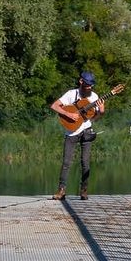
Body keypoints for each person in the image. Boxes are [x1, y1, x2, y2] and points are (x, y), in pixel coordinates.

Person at [50, 71, 103, 200]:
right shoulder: (71, 94)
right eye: (87, 85)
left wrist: (101, 111)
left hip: (87, 131)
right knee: (66, 162)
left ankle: (84, 191)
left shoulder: (94, 96)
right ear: (81, 81)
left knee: (85, 162)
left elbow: (96, 117)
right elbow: (54, 106)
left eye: (91, 86)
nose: (89, 88)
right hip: (71, 132)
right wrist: (69, 114)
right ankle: (61, 191)